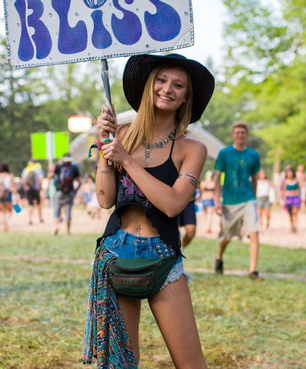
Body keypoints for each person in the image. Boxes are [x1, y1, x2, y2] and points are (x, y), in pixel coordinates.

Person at [82, 53, 213, 368]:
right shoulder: (122, 134)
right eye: (162, 80)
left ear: (185, 98)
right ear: (149, 85)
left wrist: (126, 160)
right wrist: (105, 148)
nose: (167, 89)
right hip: (116, 256)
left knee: (191, 364)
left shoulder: (192, 149)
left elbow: (172, 204)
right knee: (121, 364)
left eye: (178, 85)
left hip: (163, 259)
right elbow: (104, 199)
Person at [214, 121, 263, 280]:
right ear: (233, 135)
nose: (240, 135)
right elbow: (216, 178)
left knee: (254, 233)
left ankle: (253, 271)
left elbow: (255, 178)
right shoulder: (224, 153)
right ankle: (219, 257)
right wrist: (217, 200)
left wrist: (254, 197)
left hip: (248, 199)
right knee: (227, 237)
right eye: (237, 132)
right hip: (229, 200)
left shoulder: (253, 155)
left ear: (246, 135)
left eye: (243, 132)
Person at [53, 153, 80, 235]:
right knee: (68, 211)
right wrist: (75, 191)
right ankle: (68, 231)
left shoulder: (58, 167)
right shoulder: (74, 168)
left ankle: (56, 226)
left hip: (59, 192)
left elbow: (54, 178)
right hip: (70, 192)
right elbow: (79, 182)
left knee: (57, 210)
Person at [0, 163, 17, 232]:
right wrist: (16, 196)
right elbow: (13, 186)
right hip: (8, 194)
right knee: (10, 211)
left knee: (3, 211)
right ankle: (6, 221)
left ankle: (3, 221)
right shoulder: (10, 176)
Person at [22, 160, 44, 225]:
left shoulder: (26, 170)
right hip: (36, 189)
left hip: (29, 189)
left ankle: (30, 219)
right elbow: (41, 179)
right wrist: (40, 186)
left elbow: (23, 181)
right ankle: (40, 218)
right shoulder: (38, 170)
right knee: (39, 204)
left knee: (30, 204)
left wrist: (25, 188)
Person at [280, 165, 300, 234]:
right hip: (288, 198)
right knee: (290, 214)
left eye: (291, 173)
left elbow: (299, 189)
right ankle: (292, 226)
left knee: (295, 213)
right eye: (288, 173)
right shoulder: (285, 181)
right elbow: (283, 190)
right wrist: (283, 199)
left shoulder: (296, 180)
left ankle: (295, 226)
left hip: (295, 197)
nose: (290, 174)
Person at [199, 170, 218, 235]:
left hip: (204, 200)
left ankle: (207, 228)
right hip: (210, 200)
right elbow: (216, 193)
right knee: (209, 215)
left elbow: (201, 192)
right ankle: (208, 228)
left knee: (205, 215)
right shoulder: (214, 183)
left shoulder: (203, 183)